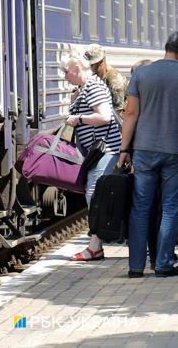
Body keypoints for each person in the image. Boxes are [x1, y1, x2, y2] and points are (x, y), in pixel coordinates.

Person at [120, 32, 178, 278]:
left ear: (166, 48)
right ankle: (163, 264)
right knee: (170, 208)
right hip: (176, 152)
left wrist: (123, 150)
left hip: (144, 150)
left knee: (141, 208)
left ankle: (136, 267)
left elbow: (130, 114)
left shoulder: (141, 74)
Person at [62, 51, 121, 262]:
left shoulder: (94, 87)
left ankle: (95, 246)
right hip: (99, 152)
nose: (64, 76)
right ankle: (96, 244)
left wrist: (78, 118)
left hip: (105, 150)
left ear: (77, 69)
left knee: (94, 195)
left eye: (66, 71)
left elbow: (104, 116)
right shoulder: (86, 87)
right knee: (94, 194)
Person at [84, 44, 127, 112]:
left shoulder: (115, 80)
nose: (89, 66)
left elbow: (118, 112)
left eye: (92, 64)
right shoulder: (93, 76)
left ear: (100, 62)